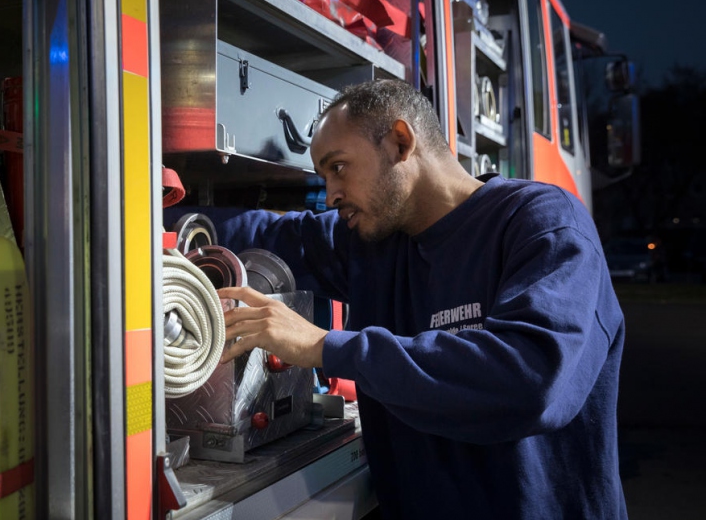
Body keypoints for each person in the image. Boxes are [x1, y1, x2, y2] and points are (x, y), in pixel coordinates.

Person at [206, 79, 627, 518]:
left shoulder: (544, 224)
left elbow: (531, 379)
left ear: (400, 142)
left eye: (339, 167)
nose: (330, 194)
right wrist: (145, 202)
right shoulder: (372, 244)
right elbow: (265, 234)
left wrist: (323, 347)